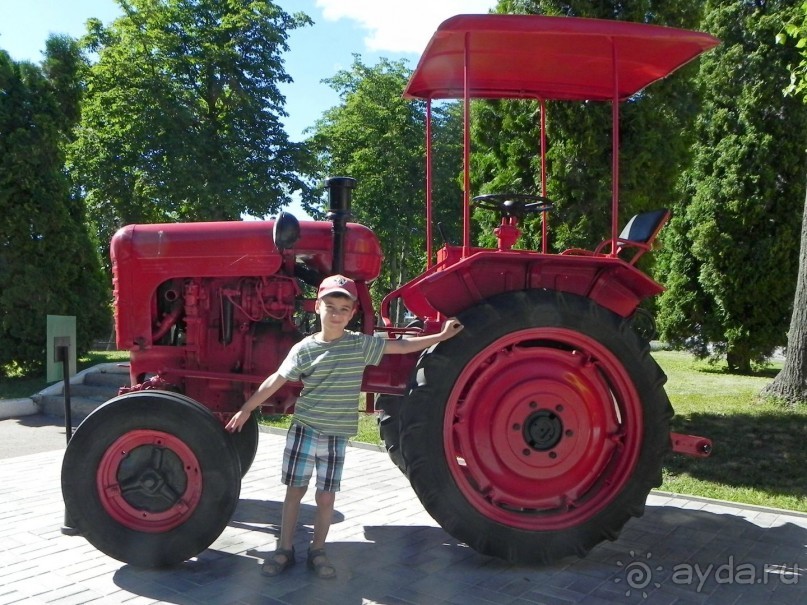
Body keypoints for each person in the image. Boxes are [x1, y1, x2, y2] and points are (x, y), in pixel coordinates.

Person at [225, 274, 463, 579]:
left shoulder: (359, 345)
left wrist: (439, 337)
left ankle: (318, 550)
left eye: (343, 308)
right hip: (305, 430)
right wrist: (247, 409)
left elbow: (401, 346)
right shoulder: (304, 349)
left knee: (326, 497)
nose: (336, 313)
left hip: (336, 436)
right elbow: (276, 379)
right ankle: (284, 548)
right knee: (294, 491)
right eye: (330, 306)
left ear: (352, 314)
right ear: (317, 309)